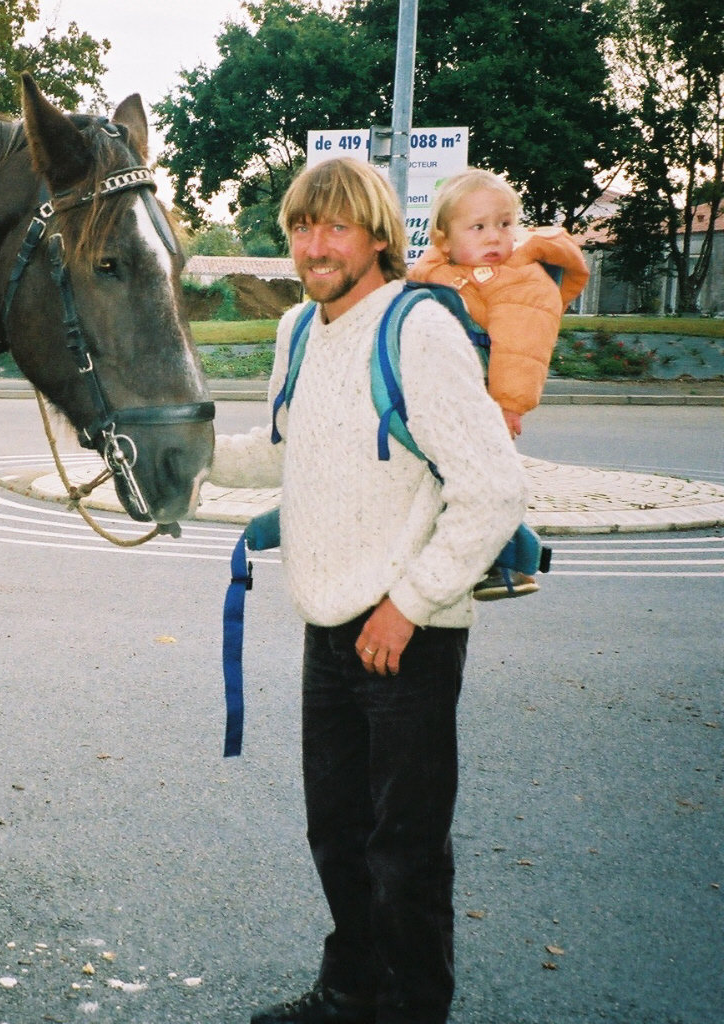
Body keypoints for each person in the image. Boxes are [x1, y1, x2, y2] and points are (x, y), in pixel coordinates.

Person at [207, 158, 527, 1024]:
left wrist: (409, 604)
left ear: (378, 236)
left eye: (336, 227)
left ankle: (413, 1008)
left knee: (406, 851)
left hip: (407, 630)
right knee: (337, 835)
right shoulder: (299, 334)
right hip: (325, 619)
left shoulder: (418, 329)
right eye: (303, 228)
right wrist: (180, 452)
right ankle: (353, 990)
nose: (315, 246)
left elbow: (493, 488)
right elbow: (280, 453)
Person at [407, 168, 589, 600]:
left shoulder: (521, 280)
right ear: (444, 239)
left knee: (483, 483)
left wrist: (507, 405)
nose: (494, 237)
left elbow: (522, 348)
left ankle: (509, 562)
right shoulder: (436, 267)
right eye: (479, 227)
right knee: (446, 480)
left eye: (505, 225)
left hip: (488, 402)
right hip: (443, 399)